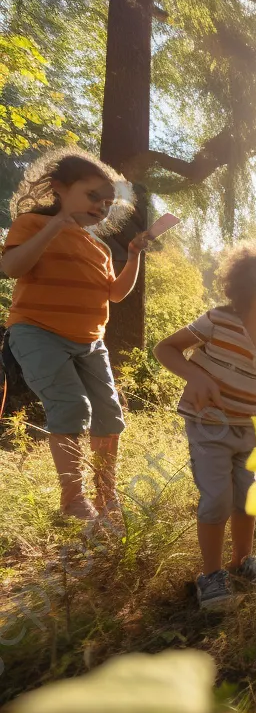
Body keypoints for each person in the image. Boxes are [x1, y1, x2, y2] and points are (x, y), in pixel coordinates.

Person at [1, 148, 152, 521]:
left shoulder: (98, 248)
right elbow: (10, 267)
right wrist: (57, 225)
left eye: (107, 203)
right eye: (92, 197)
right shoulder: (32, 223)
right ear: (59, 189)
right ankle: (73, 502)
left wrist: (133, 256)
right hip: (37, 331)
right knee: (71, 407)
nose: (101, 207)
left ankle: (106, 495)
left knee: (109, 415)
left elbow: (115, 293)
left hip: (90, 341)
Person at [154, 241, 256, 610]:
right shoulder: (218, 321)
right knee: (218, 498)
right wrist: (195, 377)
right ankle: (211, 575)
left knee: (246, 498)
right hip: (209, 427)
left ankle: (242, 560)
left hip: (248, 431)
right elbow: (165, 349)